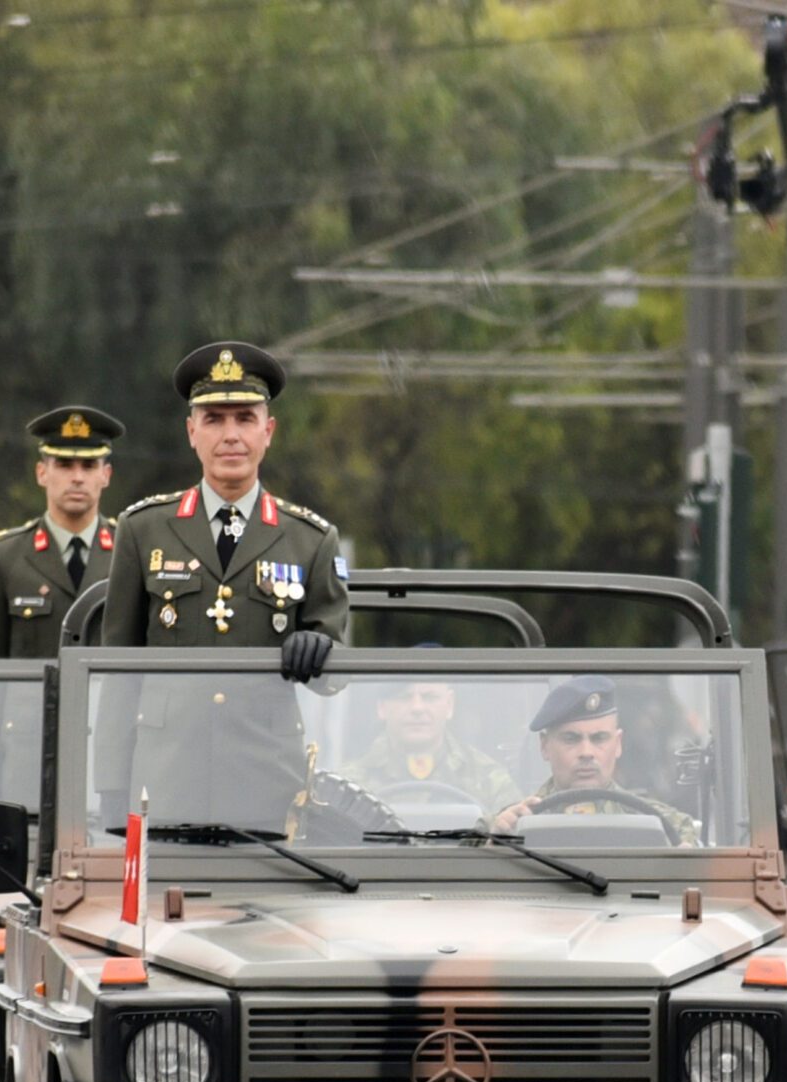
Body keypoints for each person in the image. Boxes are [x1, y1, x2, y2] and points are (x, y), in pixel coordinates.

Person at [97, 342, 349, 677]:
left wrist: (321, 652)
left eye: (245, 419)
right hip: (172, 732)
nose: (230, 436)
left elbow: (336, 680)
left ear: (268, 431)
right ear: (191, 432)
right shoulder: (142, 530)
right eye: (214, 419)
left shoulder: (312, 540)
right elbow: (117, 671)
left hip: (262, 730)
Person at [0, 407, 124, 660]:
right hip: (31, 700)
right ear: (41, 473)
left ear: (106, 475)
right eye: (64, 465)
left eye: (89, 465)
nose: (77, 477)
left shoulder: (130, 553)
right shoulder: (1, 559)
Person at [492, 677, 699, 845]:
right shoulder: (506, 825)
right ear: (545, 746)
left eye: (599, 738)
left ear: (618, 744)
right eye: (571, 739)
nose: (586, 752)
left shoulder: (666, 826)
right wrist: (493, 846)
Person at [343, 678, 522, 816]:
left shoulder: (488, 778)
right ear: (382, 708)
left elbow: (515, 840)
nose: (417, 708)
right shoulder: (350, 784)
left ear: (450, 705)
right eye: (404, 697)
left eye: (429, 697)